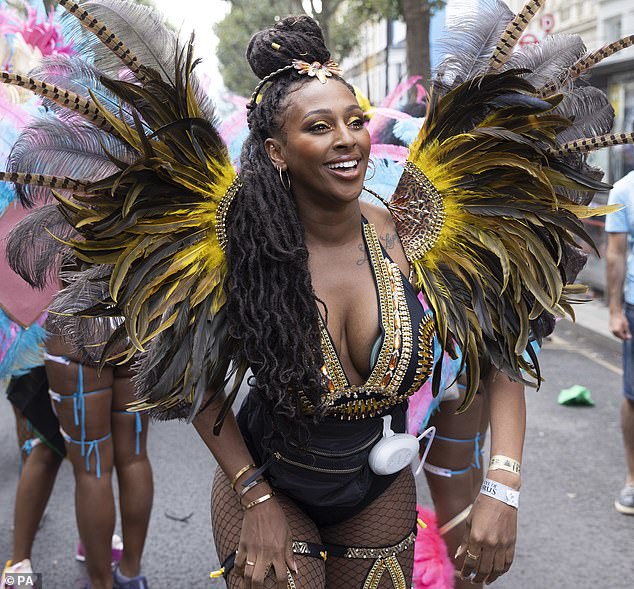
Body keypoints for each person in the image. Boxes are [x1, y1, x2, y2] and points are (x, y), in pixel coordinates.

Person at [2, 2, 631, 588]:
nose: (348, 140)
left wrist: (503, 484)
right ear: (276, 152)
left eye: (355, 121)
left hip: (377, 487)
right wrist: (254, 495)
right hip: (268, 481)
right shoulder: (233, 245)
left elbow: (501, 348)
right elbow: (193, 375)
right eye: (319, 126)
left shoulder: (429, 227)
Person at [42, 333, 154, 589]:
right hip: (134, 326)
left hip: (74, 333)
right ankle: (131, 573)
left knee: (92, 471)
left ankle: (101, 583)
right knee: (134, 458)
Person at [605, 169, 634, 515]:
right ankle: (632, 479)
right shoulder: (624, 189)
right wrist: (614, 310)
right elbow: (615, 253)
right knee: (633, 395)